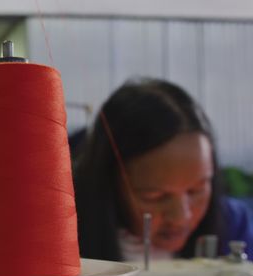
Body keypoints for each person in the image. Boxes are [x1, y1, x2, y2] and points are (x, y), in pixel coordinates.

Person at [73, 77, 253, 261]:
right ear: (108, 182)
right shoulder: (63, 234)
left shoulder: (233, 225)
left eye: (196, 190)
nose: (181, 217)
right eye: (155, 196)